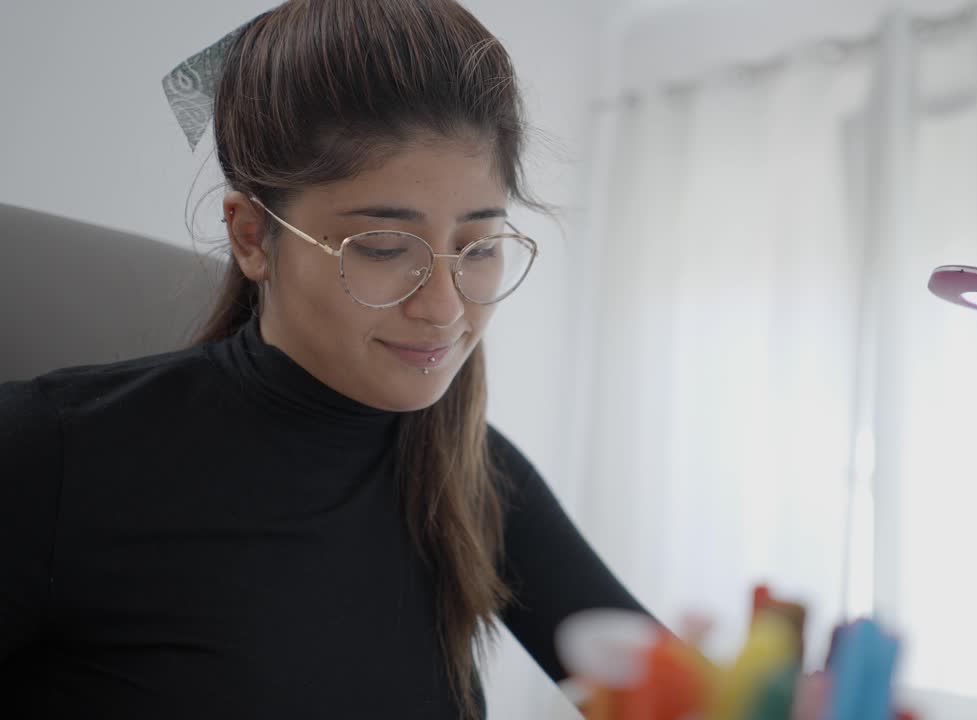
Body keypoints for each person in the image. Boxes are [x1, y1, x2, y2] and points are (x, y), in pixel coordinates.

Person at [0, 1, 649, 717]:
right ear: (252, 237)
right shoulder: (49, 456)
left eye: (478, 247)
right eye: (382, 248)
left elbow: (680, 699)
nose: (444, 308)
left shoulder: (472, 472)